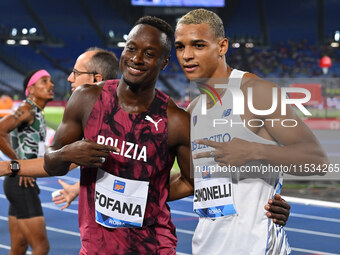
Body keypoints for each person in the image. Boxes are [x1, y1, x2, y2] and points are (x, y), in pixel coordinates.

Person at [0, 17, 290, 253]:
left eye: (150, 53)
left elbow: (197, 179)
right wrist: (64, 156)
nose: (137, 58)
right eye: (131, 48)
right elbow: (54, 160)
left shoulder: (179, 119)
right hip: (98, 244)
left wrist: (273, 196)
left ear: (163, 62)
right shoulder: (87, 99)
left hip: (156, 245)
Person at [173, 9, 329, 254]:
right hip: (206, 246)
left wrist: (254, 151)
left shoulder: (256, 92)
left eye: (198, 45)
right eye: (180, 47)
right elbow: (191, 182)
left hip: (257, 247)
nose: (187, 56)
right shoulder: (192, 111)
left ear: (222, 46)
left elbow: (317, 161)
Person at [53, 47, 119, 209]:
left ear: (96, 79)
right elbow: (104, 157)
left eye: (76, 73)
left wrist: (11, 167)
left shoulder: (124, 117)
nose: (69, 78)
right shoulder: (93, 112)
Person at [0, 69, 54, 255]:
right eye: (44, 81)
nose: (51, 85)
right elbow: (0, 131)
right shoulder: (28, 109)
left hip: (17, 182)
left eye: (50, 81)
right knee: (41, 247)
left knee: (19, 246)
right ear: (30, 89)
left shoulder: (35, 111)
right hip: (21, 182)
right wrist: (19, 162)